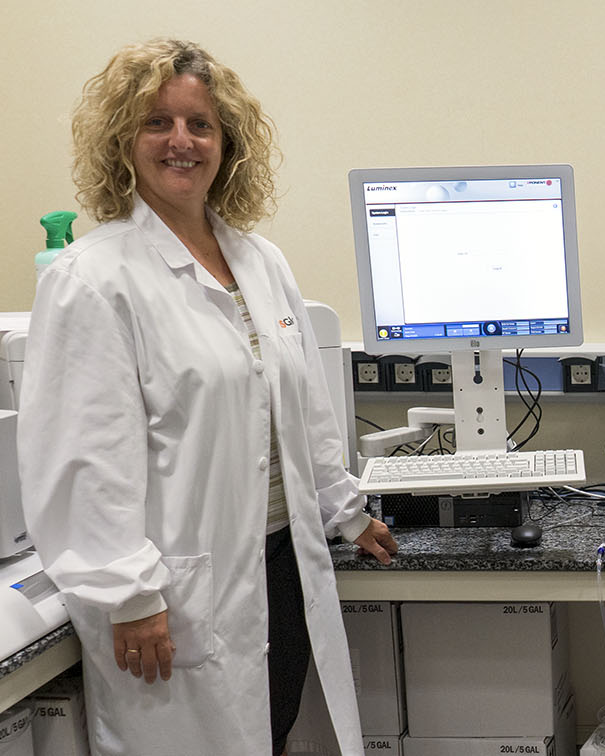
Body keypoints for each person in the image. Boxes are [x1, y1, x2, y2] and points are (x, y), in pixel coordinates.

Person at [18, 39, 399, 756]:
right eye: (157, 122)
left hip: (282, 566)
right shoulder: (92, 279)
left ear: (228, 143)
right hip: (175, 593)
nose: (181, 142)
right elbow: (85, 459)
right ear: (122, 142)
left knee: (278, 731)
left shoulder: (259, 260)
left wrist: (345, 509)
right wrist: (126, 595)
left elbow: (303, 408)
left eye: (201, 125)